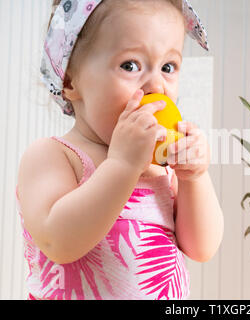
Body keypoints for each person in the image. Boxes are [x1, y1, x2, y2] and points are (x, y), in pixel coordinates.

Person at [15, 0, 223, 300]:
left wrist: (195, 177)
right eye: (130, 65)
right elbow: (58, 242)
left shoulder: (163, 168)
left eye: (168, 67)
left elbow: (202, 247)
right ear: (70, 80)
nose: (157, 86)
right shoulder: (54, 156)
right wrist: (122, 166)